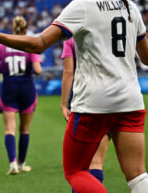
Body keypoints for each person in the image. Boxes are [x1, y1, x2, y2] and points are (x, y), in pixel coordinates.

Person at [0, 0, 148, 193]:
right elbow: (146, 57)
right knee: (138, 176)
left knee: (76, 171)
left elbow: (39, 44)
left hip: (94, 103)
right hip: (130, 100)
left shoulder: (82, 7)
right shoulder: (130, 6)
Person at [0, 16, 42, 175]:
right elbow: (38, 70)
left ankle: (13, 164)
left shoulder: (2, 46)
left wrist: (2, 71)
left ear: (12, 28)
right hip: (27, 87)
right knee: (25, 129)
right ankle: (23, 163)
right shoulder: (29, 44)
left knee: (9, 129)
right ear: (25, 30)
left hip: (9, 86)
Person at [61, 37, 110, 191]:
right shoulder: (106, 32)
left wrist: (63, 104)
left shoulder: (71, 41)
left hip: (85, 99)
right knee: (135, 172)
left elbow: (69, 73)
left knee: (78, 168)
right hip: (116, 96)